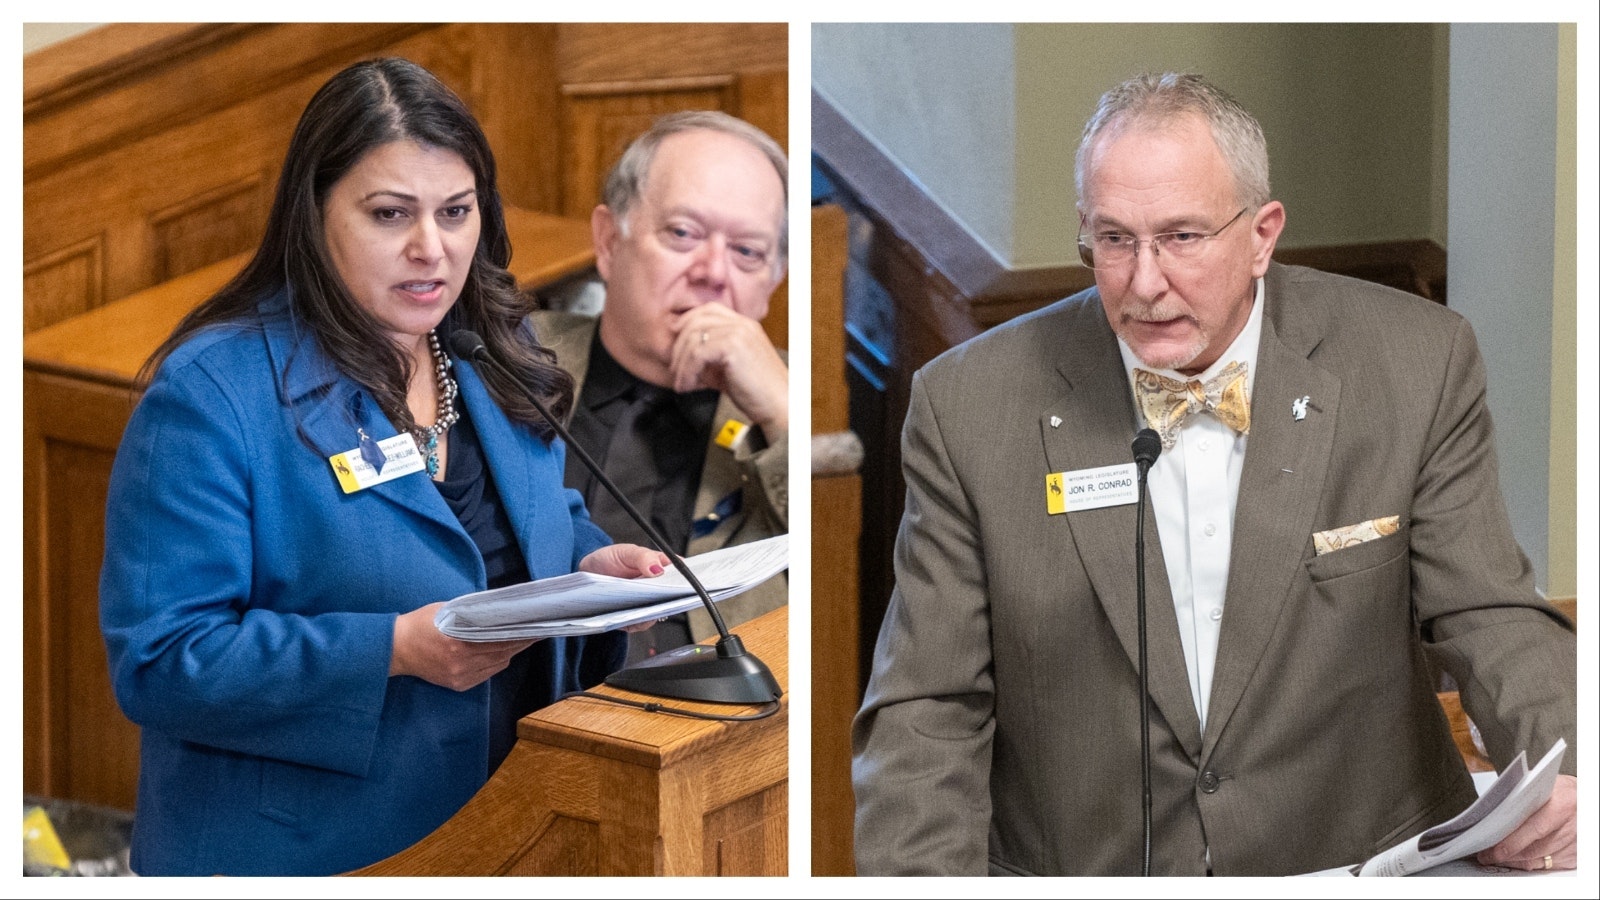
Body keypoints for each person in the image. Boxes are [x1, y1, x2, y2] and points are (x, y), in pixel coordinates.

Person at [851, 72, 1577, 876]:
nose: (1145, 282)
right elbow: (927, 708)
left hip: (1362, 862)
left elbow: (1488, 611)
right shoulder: (968, 406)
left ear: (1262, 235)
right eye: (1114, 239)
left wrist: (1569, 772)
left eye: (1183, 237)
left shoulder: (1415, 361)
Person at [99, 57, 666, 877]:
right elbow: (161, 661)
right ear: (315, 214)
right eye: (390, 214)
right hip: (308, 854)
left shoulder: (493, 351)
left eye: (456, 212)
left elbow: (530, 514)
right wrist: (391, 650)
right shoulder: (213, 397)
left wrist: (587, 562)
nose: (431, 249)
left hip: (522, 828)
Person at [531, 111, 789, 662]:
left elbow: (842, 595)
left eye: (747, 251)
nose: (714, 272)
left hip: (717, 727)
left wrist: (784, 419)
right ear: (608, 241)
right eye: (683, 233)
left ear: (772, 282)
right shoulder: (510, 361)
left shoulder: (794, 405)